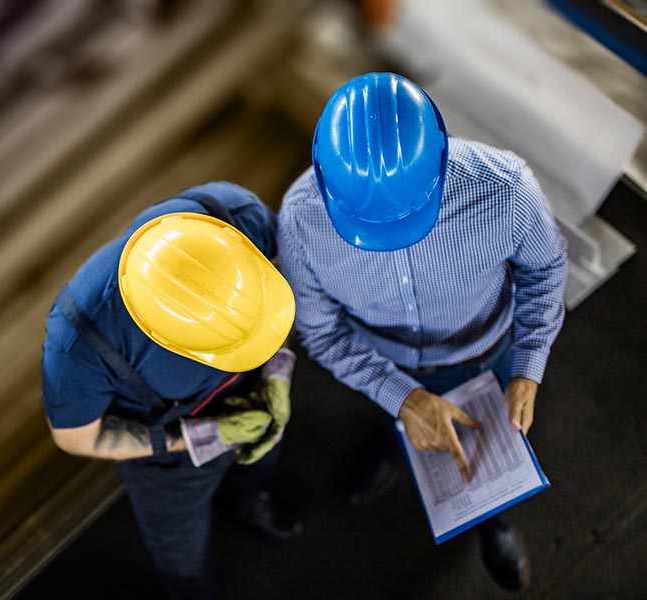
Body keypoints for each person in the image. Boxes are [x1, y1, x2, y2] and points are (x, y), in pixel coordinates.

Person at [277, 72, 567, 592]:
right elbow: (321, 333)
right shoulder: (300, 221)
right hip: (386, 363)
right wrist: (402, 398)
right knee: (399, 420)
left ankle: (492, 518)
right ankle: (395, 441)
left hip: (488, 353)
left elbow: (546, 270)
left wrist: (528, 364)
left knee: (487, 451)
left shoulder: (506, 190)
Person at [41, 182, 302, 600]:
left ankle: (247, 501)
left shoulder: (234, 214)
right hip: (171, 451)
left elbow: (279, 286)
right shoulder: (79, 344)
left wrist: (276, 374)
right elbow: (76, 437)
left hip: (256, 395)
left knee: (258, 466)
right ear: (171, 342)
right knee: (181, 552)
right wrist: (205, 436)